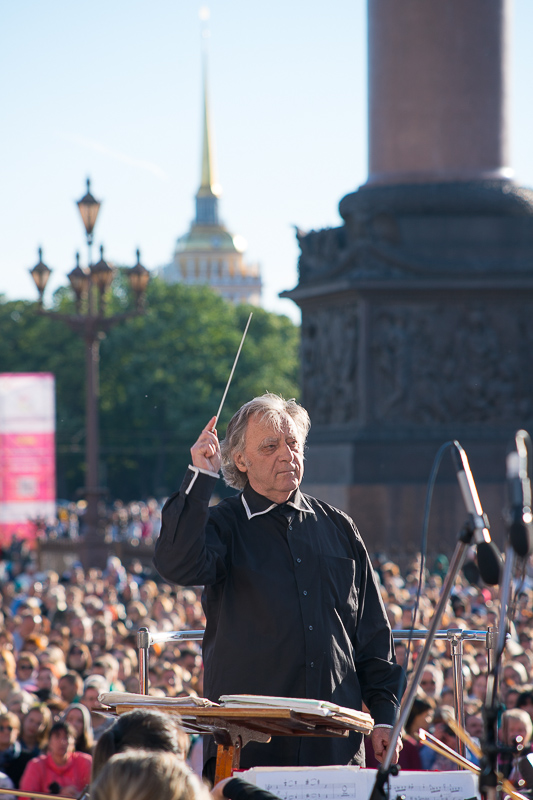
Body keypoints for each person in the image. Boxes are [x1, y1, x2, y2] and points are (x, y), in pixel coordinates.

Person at [154, 393, 405, 776]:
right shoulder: (224, 525)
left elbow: (371, 632)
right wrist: (201, 476)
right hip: (249, 742)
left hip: (334, 740)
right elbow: (176, 563)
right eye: (270, 447)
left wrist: (386, 714)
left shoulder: (339, 527)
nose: (287, 455)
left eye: (293, 444)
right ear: (240, 460)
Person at [18, 721, 92, 799]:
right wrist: (58, 797)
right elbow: (25, 797)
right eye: (57, 737)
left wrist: (80, 796)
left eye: (66, 737)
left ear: (74, 742)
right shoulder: (36, 765)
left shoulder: (85, 762)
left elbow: (97, 791)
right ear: (49, 742)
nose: (62, 742)